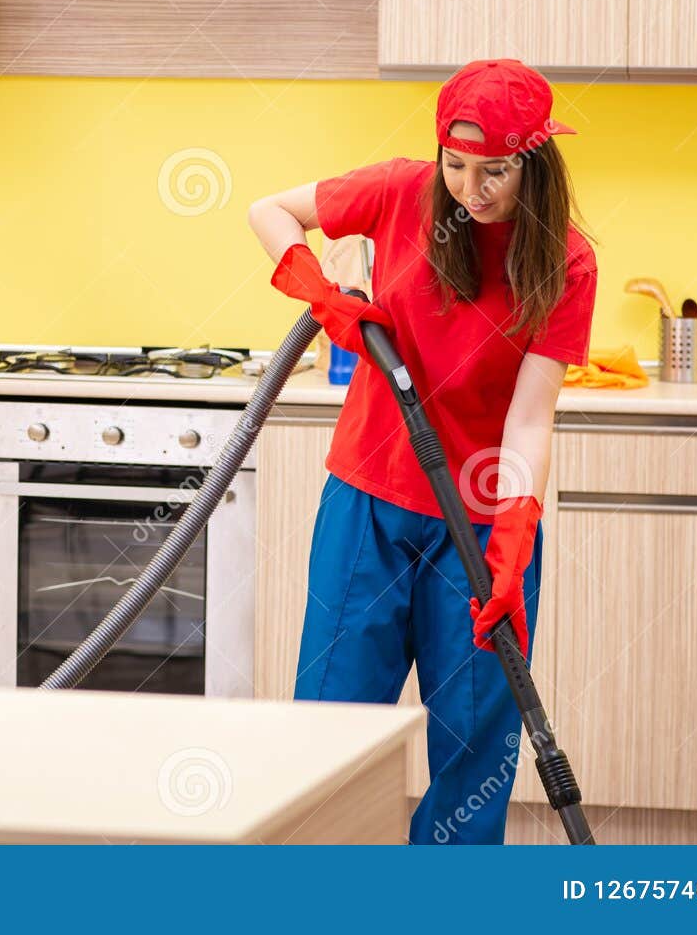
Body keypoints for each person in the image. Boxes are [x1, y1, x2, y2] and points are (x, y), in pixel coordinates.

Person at [248, 59, 598, 844]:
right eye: (457, 164)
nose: (472, 190)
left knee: (475, 746)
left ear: (534, 162)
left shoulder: (566, 260)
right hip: (369, 502)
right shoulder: (403, 192)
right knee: (331, 730)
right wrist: (318, 290)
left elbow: (531, 415)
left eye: (496, 172)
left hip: (480, 525)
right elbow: (267, 209)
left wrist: (513, 533)